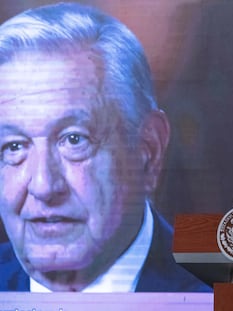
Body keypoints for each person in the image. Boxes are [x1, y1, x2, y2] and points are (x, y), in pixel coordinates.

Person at [0, 2, 210, 293]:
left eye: (74, 140)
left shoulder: (230, 297)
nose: (43, 186)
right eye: (13, 147)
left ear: (148, 151)